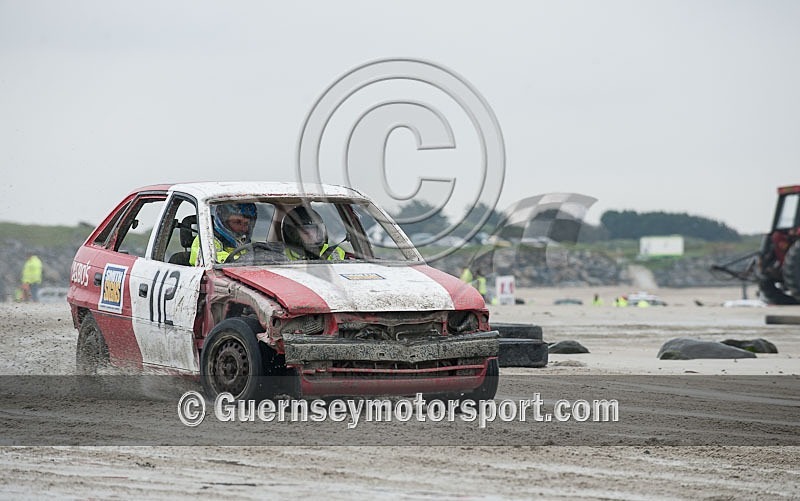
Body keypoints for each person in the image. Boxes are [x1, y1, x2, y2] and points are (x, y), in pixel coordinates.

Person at [189, 203, 257, 265]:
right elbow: (207, 259)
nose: (243, 229)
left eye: (246, 223)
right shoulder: (204, 240)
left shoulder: (245, 244)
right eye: (237, 222)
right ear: (223, 221)